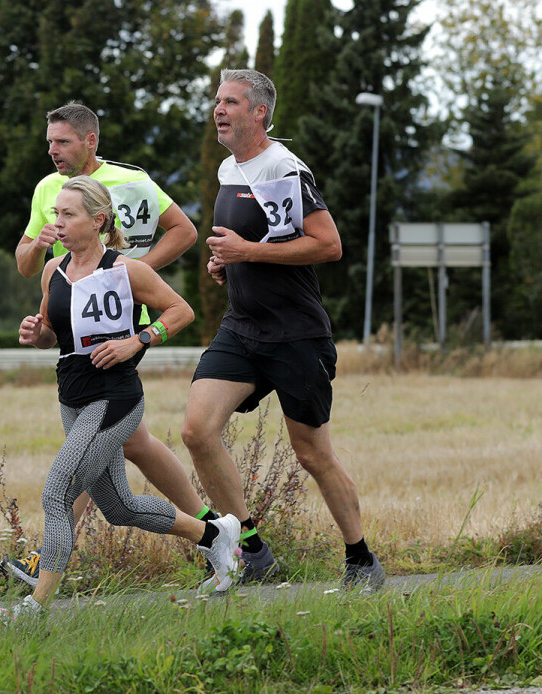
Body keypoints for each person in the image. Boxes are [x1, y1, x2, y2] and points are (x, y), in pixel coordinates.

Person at [0, 177, 242, 623]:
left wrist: (137, 340)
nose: (59, 223)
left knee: (57, 492)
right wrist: (37, 335)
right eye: (56, 214)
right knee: (119, 507)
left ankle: (34, 608)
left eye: (69, 214)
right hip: (73, 397)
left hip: (116, 398)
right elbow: (53, 333)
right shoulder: (54, 270)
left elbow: (181, 311)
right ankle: (216, 535)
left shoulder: (126, 269)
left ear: (98, 220)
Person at [180, 68, 385, 592]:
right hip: (243, 328)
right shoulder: (230, 170)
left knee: (312, 453)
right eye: (217, 101)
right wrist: (228, 264)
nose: (218, 109)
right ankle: (251, 550)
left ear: (258, 113)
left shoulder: (283, 167)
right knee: (196, 431)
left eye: (229, 102)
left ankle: (361, 559)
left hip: (295, 333)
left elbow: (327, 244)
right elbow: (262, 237)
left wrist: (249, 253)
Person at [3, 102, 220, 588]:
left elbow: (184, 231)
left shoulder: (131, 182)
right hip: (70, 331)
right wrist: (39, 245)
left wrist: (128, 275)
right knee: (134, 446)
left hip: (123, 331)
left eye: (62, 143)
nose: (54, 152)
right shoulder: (46, 189)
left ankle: (45, 569)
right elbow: (24, 265)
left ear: (90, 141)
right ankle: (216, 532)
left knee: (82, 461)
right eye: (50, 143)